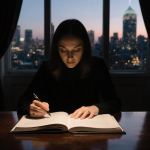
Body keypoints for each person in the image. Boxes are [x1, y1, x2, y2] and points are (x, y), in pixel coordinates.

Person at [17, 19, 122, 119]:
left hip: (87, 131)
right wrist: (31, 108)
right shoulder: (47, 67)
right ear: (56, 49)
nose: (70, 57)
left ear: (85, 48)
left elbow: (115, 102)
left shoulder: (97, 65)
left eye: (76, 50)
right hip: (53, 131)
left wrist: (96, 108)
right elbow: (23, 101)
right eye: (63, 50)